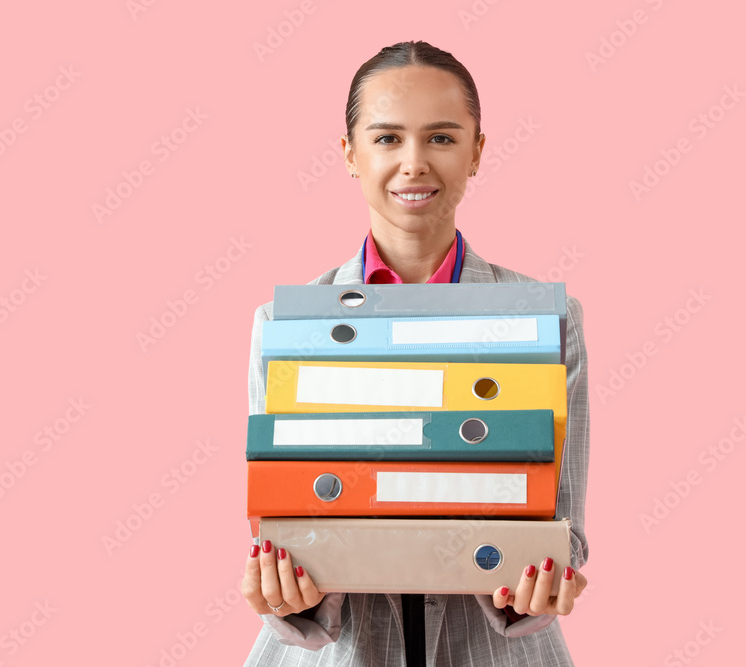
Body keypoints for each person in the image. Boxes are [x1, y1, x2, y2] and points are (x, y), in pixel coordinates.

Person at [242, 40, 591, 666]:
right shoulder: (284, 326)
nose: (413, 163)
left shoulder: (546, 321)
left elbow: (561, 527)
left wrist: (532, 588)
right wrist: (289, 597)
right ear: (349, 154)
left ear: (477, 150)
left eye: (441, 137)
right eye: (385, 139)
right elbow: (286, 518)